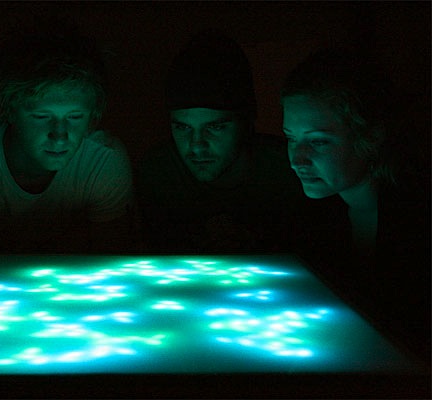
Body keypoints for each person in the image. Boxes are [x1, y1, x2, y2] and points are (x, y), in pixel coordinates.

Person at [0, 27, 134, 254]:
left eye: (75, 117)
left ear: (92, 115)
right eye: (41, 117)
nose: (60, 135)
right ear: (9, 111)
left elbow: (111, 257)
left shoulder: (103, 161)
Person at [281, 48, 430, 361]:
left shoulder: (418, 220)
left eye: (318, 141)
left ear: (372, 136)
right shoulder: (315, 219)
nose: (297, 159)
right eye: (291, 138)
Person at [137, 29, 308, 253]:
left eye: (215, 127)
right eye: (183, 127)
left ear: (246, 122)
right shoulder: (158, 173)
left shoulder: (293, 171)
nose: (196, 145)